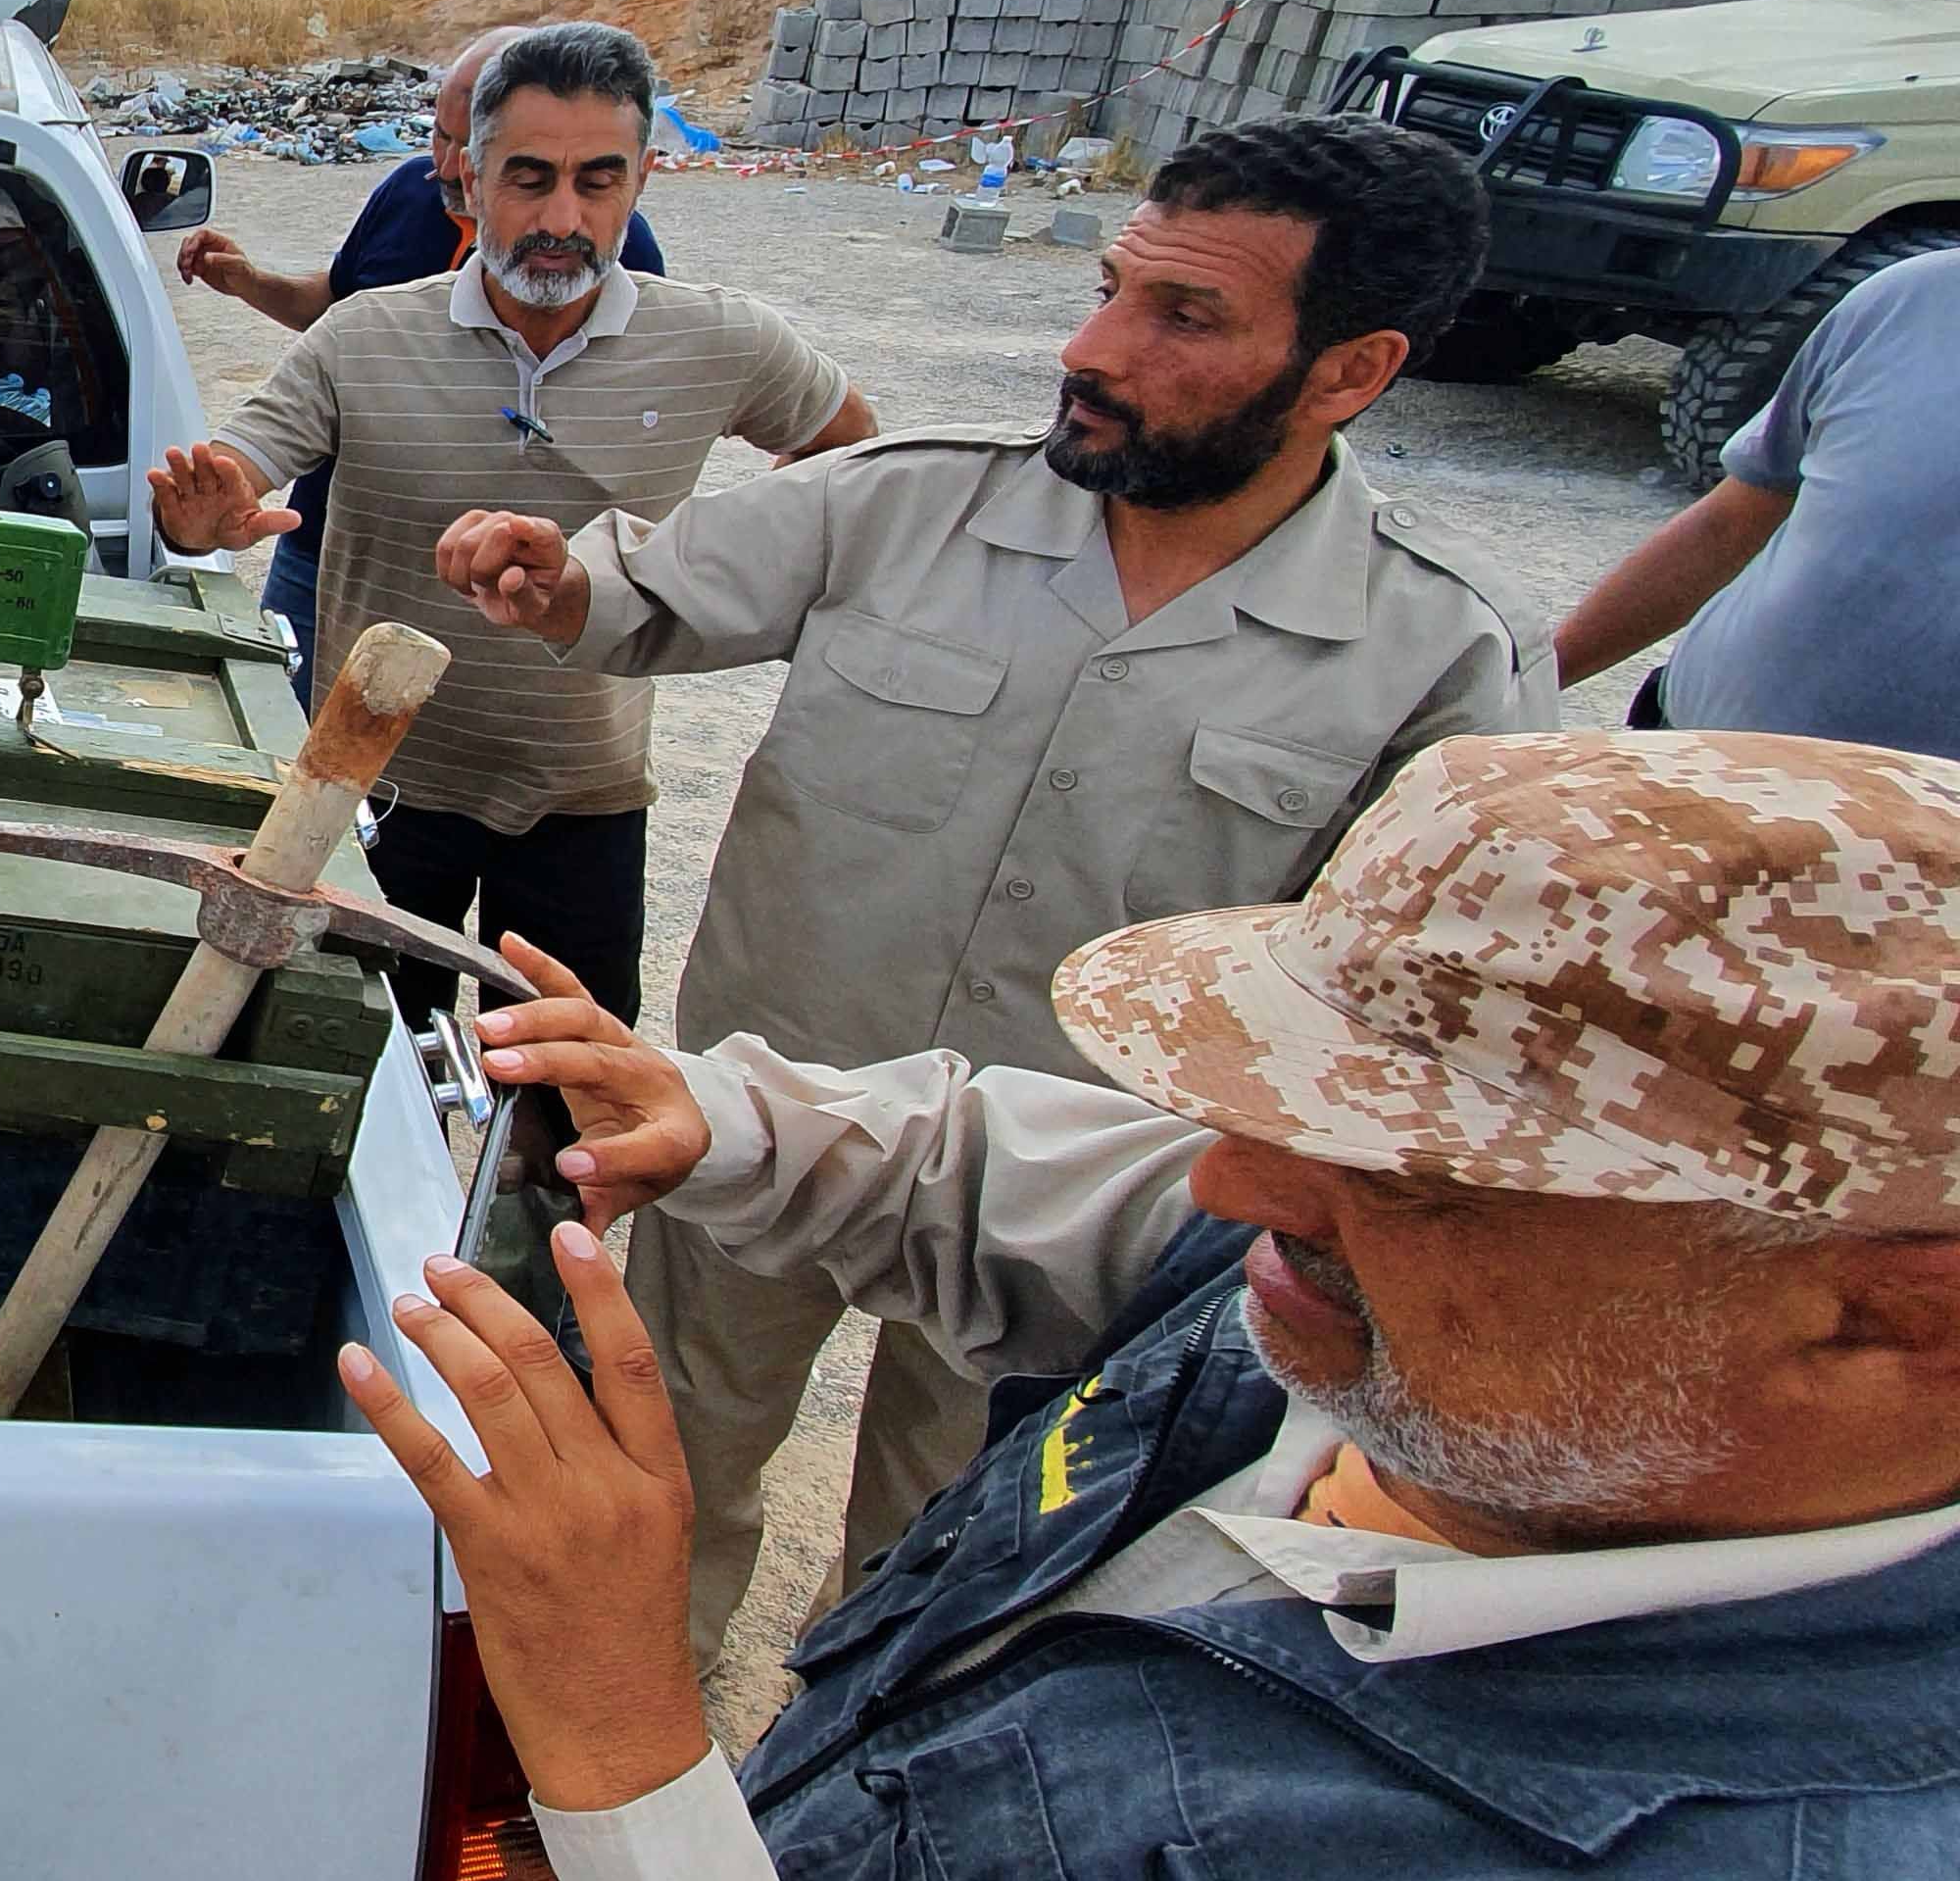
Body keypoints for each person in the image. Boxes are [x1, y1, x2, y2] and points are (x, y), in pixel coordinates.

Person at [340, 729, 1960, 1881]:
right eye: (1291, 1104)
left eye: (1408, 1168)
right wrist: (741, 1128)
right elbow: (1035, 1179)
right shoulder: (1431, 1325)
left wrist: (623, 1756)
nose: (1236, 1185)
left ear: (1898, 1313)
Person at [441, 110, 1553, 1664]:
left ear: (1351, 373)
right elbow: (639, 594)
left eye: (1183, 317)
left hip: (1064, 1222)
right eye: (1109, 286)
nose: (1089, 348)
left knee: (956, 1540)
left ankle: (827, 1805)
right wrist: (553, 579)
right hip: (757, 1126)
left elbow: (1417, 1035)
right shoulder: (906, 501)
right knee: (667, 1464)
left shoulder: (1437, 663)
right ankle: (618, 1786)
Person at [150, 22, 873, 1024]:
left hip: (586, 802)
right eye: (530, 179)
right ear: (469, 174)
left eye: (599, 180)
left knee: (569, 1110)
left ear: (643, 179)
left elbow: (848, 452)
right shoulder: (365, 336)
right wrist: (201, 519)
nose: (563, 217)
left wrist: (715, 573)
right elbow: (236, 471)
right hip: (370, 798)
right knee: (356, 1080)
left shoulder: (722, 340)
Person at [171, 25, 673, 706]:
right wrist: (254, 284)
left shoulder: (603, 250)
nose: (443, 164)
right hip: (329, 554)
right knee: (301, 748)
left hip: (494, 582)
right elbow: (343, 305)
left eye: (467, 146)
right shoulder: (408, 192)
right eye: (439, 134)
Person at [1555, 245, 1960, 760]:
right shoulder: (1907, 298)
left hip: (1915, 830)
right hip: (1685, 759)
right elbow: (1729, 524)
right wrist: (1531, 680)